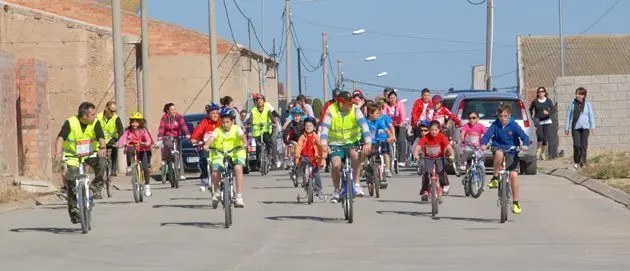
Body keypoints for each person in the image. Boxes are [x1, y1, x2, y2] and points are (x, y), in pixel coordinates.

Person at [55, 102, 107, 224]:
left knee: (103, 161)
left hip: (89, 154)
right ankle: (74, 212)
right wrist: (58, 153)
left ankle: (96, 186)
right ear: (84, 116)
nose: (95, 116)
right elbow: (61, 138)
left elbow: (100, 136)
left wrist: (103, 148)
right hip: (72, 156)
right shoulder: (71, 123)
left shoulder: (96, 122)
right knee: (72, 182)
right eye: (92, 114)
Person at [320, 91, 373, 202]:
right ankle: (336, 191)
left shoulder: (355, 109)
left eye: (351, 103)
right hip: (335, 142)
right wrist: (324, 144)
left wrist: (368, 142)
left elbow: (364, 125)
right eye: (348, 104)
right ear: (341, 104)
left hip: (352, 141)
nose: (351, 105)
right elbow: (324, 128)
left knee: (355, 155)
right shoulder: (331, 110)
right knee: (336, 164)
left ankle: (357, 184)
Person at [481, 104, 530, 214]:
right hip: (498, 147)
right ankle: (495, 178)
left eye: (505, 116)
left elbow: (524, 136)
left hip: (512, 151)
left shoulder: (514, 125)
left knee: (513, 175)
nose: (503, 118)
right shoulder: (495, 125)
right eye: (501, 116)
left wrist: (525, 144)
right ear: (498, 116)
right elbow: (487, 136)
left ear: (509, 115)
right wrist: (483, 144)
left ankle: (515, 203)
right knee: (498, 153)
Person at [206, 108, 248, 208]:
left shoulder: (237, 128)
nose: (225, 124)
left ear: (232, 121)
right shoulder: (217, 130)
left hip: (236, 152)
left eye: (227, 122)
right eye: (223, 122)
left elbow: (242, 136)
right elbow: (212, 138)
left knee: (238, 168)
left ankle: (239, 196)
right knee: (215, 172)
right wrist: (207, 145)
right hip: (219, 154)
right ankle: (216, 191)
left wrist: (245, 143)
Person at [413, 120, 455, 201]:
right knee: (426, 174)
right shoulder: (426, 137)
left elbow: (449, 147)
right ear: (429, 130)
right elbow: (418, 147)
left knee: (441, 171)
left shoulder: (442, 137)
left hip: (439, 157)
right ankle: (425, 191)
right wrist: (416, 154)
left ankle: (444, 184)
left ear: (439, 130)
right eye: (431, 130)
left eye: (435, 130)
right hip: (428, 158)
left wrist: (452, 155)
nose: (433, 132)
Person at [116, 112, 154, 197]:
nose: (134, 124)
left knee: (145, 169)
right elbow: (122, 138)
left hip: (142, 149)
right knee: (129, 149)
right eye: (133, 122)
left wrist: (146, 143)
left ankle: (147, 187)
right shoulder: (128, 131)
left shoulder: (143, 131)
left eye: (136, 122)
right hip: (132, 149)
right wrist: (119, 144)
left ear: (140, 123)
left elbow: (148, 139)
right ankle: (129, 166)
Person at [191, 102, 221, 191]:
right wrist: (194, 139)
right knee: (203, 160)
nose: (215, 115)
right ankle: (204, 179)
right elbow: (198, 131)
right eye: (212, 113)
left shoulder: (221, 121)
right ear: (208, 114)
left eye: (216, 113)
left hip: (219, 147)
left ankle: (227, 180)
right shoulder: (204, 122)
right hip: (206, 147)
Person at [295, 117, 327, 200]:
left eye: (310, 126)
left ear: (314, 127)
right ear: (304, 127)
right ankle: (302, 178)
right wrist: (297, 154)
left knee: (316, 174)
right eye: (306, 126)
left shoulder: (316, 136)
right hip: (304, 156)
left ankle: (319, 190)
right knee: (300, 167)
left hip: (314, 157)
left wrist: (323, 154)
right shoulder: (302, 136)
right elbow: (299, 146)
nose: (308, 128)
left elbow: (320, 146)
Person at [157, 103, 191, 181]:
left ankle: (181, 174)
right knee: (167, 147)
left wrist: (187, 134)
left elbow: (183, 126)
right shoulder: (164, 118)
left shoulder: (179, 117)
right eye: (172, 110)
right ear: (167, 111)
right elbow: (161, 128)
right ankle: (166, 160)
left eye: (175, 109)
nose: (174, 111)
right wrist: (160, 137)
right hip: (167, 137)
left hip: (177, 137)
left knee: (179, 154)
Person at [564, 87, 596, 169]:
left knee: (584, 145)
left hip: (585, 127)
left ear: (584, 95)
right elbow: (568, 116)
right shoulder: (572, 104)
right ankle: (576, 161)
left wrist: (593, 127)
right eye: (577, 94)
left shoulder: (588, 104)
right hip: (575, 128)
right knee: (577, 145)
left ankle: (583, 162)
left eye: (581, 94)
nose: (578, 96)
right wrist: (566, 128)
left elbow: (591, 116)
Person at [248, 93, 280, 171]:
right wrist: (249, 125)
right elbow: (250, 119)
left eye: (261, 100)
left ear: (263, 101)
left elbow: (271, 116)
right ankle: (259, 161)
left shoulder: (267, 108)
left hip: (266, 130)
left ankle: (269, 155)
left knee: (269, 143)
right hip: (257, 131)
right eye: (258, 100)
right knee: (258, 147)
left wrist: (274, 121)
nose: (259, 102)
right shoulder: (253, 110)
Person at [366, 103, 396, 184]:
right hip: (365, 143)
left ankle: (382, 176)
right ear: (370, 113)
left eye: (379, 112)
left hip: (376, 142)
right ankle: (363, 167)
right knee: (364, 155)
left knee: (378, 158)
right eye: (377, 113)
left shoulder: (379, 121)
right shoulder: (364, 121)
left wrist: (391, 137)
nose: (379, 115)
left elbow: (387, 129)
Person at [96, 101, 124, 176]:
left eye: (115, 111)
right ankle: (100, 168)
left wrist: (119, 141)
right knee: (99, 152)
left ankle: (113, 168)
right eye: (111, 111)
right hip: (100, 139)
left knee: (114, 148)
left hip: (112, 139)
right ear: (106, 108)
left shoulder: (116, 118)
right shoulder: (98, 117)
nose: (113, 113)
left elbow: (121, 130)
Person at [382, 89, 407, 168]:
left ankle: (401, 160)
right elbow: (384, 115)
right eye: (390, 98)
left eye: (394, 98)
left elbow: (403, 115)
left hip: (400, 124)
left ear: (396, 98)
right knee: (388, 140)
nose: (392, 99)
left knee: (401, 140)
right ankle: (388, 157)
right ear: (388, 99)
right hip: (390, 125)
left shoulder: (400, 104)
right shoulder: (385, 105)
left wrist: (401, 123)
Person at [529, 87, 555, 160]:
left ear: (545, 93)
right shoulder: (535, 101)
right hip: (538, 121)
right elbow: (530, 109)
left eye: (542, 91)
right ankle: (538, 150)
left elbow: (553, 109)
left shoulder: (548, 100)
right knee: (540, 136)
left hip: (547, 121)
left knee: (545, 139)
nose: (541, 93)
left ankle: (543, 153)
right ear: (537, 93)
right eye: (539, 92)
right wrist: (531, 118)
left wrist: (548, 112)